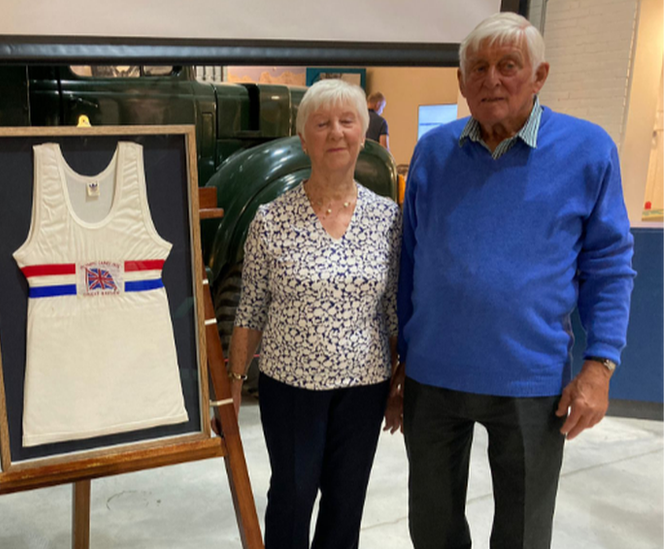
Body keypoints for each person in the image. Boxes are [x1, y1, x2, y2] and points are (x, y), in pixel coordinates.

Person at [388, 12, 636, 549]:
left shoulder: (589, 151)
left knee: (522, 535)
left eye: (508, 66)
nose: (491, 80)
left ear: (539, 75)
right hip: (433, 377)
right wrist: (402, 359)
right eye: (478, 68)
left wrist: (600, 365)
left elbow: (610, 265)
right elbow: (410, 261)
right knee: (431, 527)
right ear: (461, 82)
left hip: (531, 382)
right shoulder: (433, 153)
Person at [228, 78, 401, 549]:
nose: (336, 133)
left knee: (346, 506)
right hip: (290, 390)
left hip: (364, 389)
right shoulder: (270, 219)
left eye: (347, 122)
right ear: (304, 139)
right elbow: (250, 311)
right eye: (322, 124)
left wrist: (398, 380)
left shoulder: (388, 219)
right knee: (291, 498)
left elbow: (391, 312)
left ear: (363, 134)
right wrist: (229, 390)